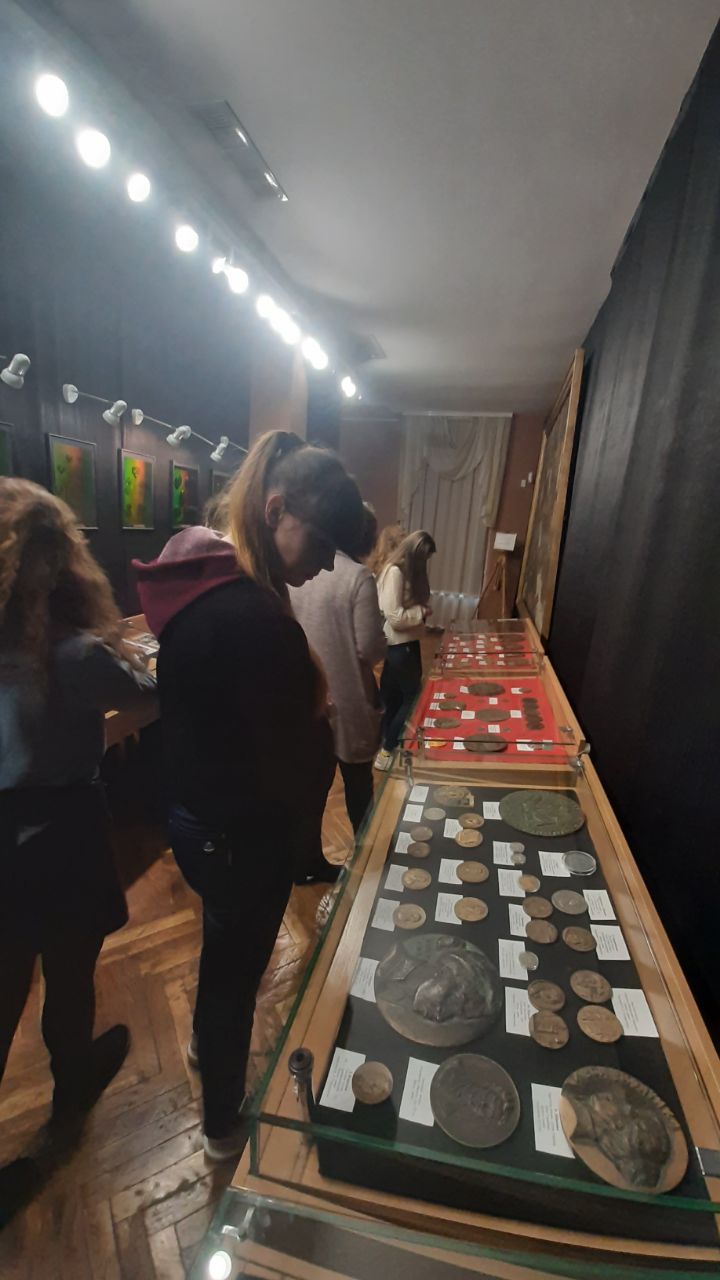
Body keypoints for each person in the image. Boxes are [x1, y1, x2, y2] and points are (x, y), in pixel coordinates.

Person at [134, 430, 363, 1160]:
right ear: (274, 510)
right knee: (236, 978)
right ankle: (221, 1128)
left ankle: (207, 1043)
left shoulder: (205, 585)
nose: (324, 563)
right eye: (320, 543)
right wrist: (316, 740)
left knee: (222, 950)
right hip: (241, 833)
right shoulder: (257, 619)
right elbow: (282, 757)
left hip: (199, 819)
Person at [0, 480, 156, 1119]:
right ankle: (72, 1079)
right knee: (69, 967)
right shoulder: (76, 652)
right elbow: (146, 693)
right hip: (63, 828)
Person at [290, 504, 386, 835]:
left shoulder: (296, 570)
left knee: (311, 792)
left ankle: (309, 857)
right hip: (349, 697)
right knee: (358, 787)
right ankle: (366, 853)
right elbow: (369, 647)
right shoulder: (357, 576)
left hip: (309, 694)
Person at [374, 530, 436, 770]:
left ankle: (386, 745)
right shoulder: (395, 572)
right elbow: (395, 617)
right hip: (401, 646)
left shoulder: (401, 571)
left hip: (404, 644)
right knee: (412, 700)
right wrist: (421, 612)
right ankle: (387, 750)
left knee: (393, 697)